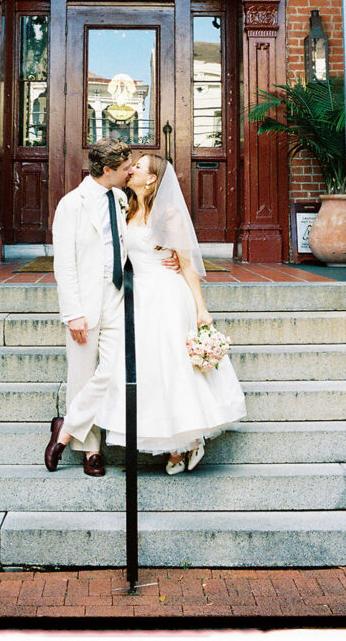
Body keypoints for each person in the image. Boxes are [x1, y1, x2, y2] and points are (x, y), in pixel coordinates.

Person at [96, 153, 247, 474]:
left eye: (137, 166)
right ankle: (166, 440)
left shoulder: (169, 214)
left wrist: (201, 308)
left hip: (167, 295)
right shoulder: (125, 208)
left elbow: (187, 264)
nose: (131, 168)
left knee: (173, 368)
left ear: (151, 179)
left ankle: (186, 442)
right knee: (147, 370)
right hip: (137, 298)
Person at [44, 138, 179, 476]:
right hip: (85, 302)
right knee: (82, 374)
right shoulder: (71, 205)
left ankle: (64, 430)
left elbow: (139, 237)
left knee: (114, 369)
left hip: (117, 297)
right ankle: (91, 449)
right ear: (107, 170)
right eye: (125, 169)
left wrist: (171, 254)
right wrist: (72, 311)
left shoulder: (120, 199)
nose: (131, 172)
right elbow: (64, 265)